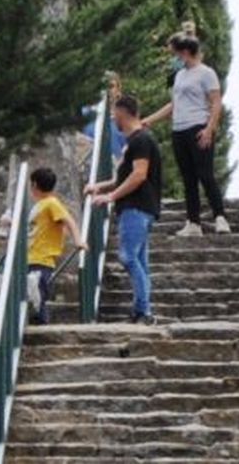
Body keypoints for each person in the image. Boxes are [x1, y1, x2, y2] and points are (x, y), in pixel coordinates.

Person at [84, 94, 162, 324]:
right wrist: (98, 186)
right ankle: (142, 310)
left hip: (137, 207)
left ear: (123, 113)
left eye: (114, 114)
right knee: (139, 260)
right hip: (139, 208)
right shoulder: (134, 142)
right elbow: (122, 176)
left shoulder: (141, 140)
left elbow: (138, 175)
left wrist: (110, 197)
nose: (113, 120)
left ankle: (143, 310)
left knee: (128, 257)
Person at [143, 33, 227, 237]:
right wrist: (149, 120)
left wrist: (209, 128)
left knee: (205, 174)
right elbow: (174, 104)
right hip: (179, 129)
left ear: (185, 51)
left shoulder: (206, 73)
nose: (174, 57)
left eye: (176, 53)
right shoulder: (180, 75)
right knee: (188, 178)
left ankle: (220, 217)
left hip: (198, 126)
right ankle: (193, 222)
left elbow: (216, 102)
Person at [27, 167, 85, 325]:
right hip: (31, 258)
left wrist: (78, 240)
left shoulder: (52, 203)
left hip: (42, 259)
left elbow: (69, 221)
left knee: (37, 298)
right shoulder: (40, 206)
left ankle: (41, 330)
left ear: (34, 184)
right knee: (32, 298)